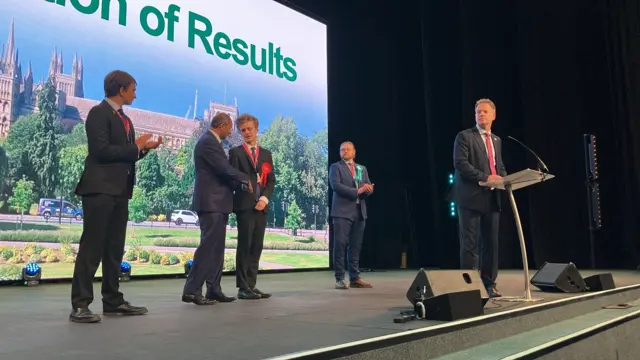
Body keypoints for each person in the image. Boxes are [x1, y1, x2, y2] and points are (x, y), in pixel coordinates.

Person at [70, 70, 162, 323]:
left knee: (114, 249)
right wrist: (136, 147)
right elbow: (100, 151)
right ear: (120, 90)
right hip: (99, 189)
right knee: (92, 247)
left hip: (120, 191)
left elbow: (125, 155)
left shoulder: (126, 120)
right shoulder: (98, 113)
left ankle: (112, 300)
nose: (135, 93)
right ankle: (80, 304)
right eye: (132, 89)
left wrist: (144, 150)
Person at [182, 113, 252, 305]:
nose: (231, 132)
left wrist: (239, 184)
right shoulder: (208, 142)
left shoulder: (213, 143)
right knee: (208, 247)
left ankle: (213, 289)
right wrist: (245, 179)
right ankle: (192, 290)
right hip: (210, 203)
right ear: (222, 126)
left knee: (216, 249)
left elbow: (222, 174)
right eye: (230, 128)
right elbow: (224, 169)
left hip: (219, 203)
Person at [452, 98, 507, 298]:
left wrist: (506, 180)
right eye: (478, 112)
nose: (481, 114)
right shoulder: (464, 136)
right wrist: (485, 177)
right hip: (470, 197)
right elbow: (461, 164)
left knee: (491, 243)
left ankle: (489, 284)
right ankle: (469, 286)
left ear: (494, 115)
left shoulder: (497, 140)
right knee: (470, 244)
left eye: (485, 111)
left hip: (492, 198)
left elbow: (498, 166)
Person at [229, 114, 276, 300]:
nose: (247, 132)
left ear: (256, 129)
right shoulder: (235, 153)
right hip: (245, 205)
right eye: (243, 130)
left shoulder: (266, 154)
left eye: (249, 129)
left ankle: (252, 285)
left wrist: (265, 198)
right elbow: (232, 178)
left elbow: (271, 180)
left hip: (261, 206)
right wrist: (246, 183)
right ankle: (242, 287)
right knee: (245, 246)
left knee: (257, 246)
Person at [328, 141, 374, 290]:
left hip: (359, 211)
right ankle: (339, 278)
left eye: (348, 149)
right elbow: (336, 186)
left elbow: (367, 187)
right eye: (342, 150)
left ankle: (355, 277)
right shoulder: (336, 167)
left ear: (354, 152)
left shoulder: (362, 168)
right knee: (340, 245)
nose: (345, 152)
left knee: (355, 246)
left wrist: (368, 189)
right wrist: (357, 191)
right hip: (341, 212)